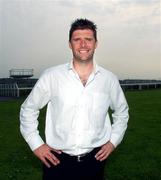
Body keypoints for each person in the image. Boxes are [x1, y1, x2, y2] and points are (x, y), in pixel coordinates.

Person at [20, 18, 129, 180]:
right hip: (56, 161)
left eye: (88, 39)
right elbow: (28, 109)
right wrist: (36, 145)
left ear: (96, 43)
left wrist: (113, 141)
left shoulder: (109, 79)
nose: (83, 45)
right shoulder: (52, 76)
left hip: (95, 161)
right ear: (70, 44)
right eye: (77, 40)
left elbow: (122, 112)